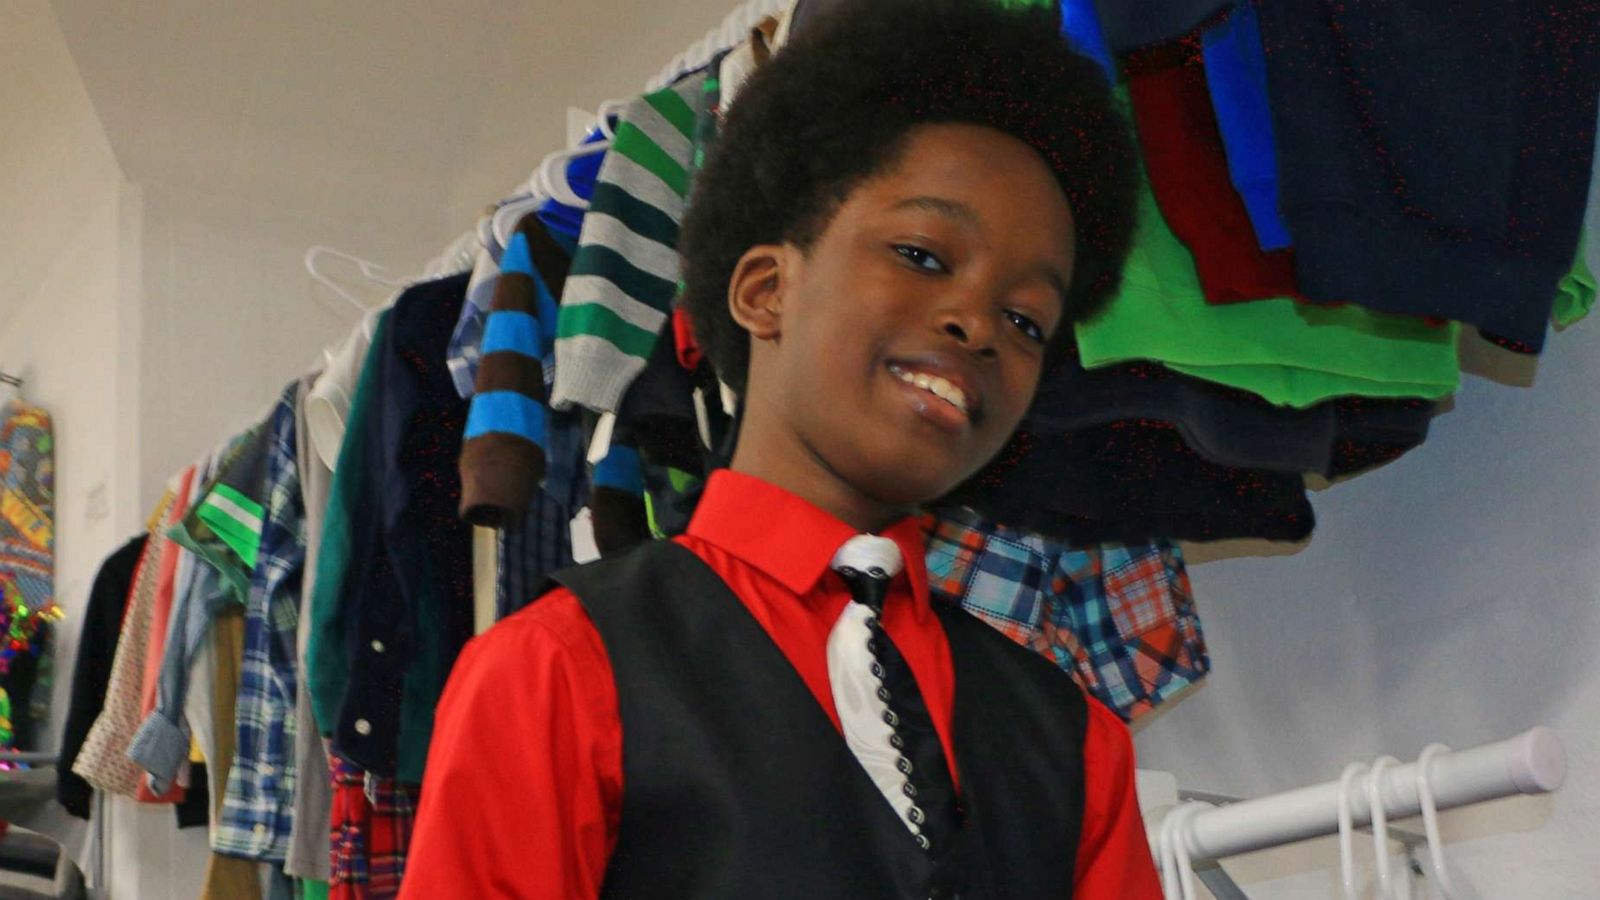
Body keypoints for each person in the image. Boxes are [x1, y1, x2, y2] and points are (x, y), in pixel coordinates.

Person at [399, 0, 1158, 896]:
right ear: (765, 291)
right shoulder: (560, 674)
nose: (978, 323)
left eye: (1027, 318)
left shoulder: (1072, 741)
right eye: (921, 254)